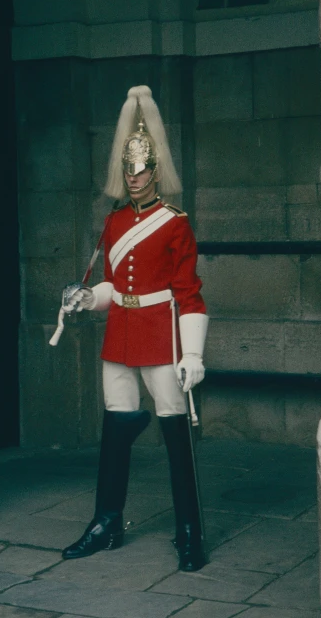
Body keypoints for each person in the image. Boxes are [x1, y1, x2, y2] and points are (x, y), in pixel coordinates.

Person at [60, 84, 209, 572]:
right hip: (120, 335)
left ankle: (189, 529)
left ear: (155, 170)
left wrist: (193, 354)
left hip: (160, 337)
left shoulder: (174, 222)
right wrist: (87, 299)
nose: (135, 176)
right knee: (115, 428)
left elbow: (188, 292)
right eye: (128, 168)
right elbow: (112, 285)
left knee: (174, 434)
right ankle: (106, 522)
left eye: (142, 168)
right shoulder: (114, 220)